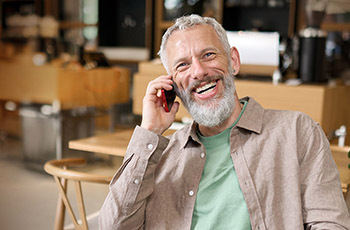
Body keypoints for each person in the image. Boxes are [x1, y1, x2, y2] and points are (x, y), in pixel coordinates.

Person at [99, 14, 350, 229]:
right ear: (172, 84)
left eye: (208, 55)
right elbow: (114, 226)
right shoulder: (159, 154)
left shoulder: (297, 132)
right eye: (183, 65)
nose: (198, 71)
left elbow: (329, 223)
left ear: (233, 61)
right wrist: (150, 131)